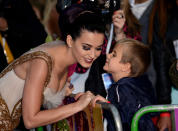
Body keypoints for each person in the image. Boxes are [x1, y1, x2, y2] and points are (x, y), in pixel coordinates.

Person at [0, 11, 106, 130]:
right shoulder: (43, 62)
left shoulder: (64, 56)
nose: (92, 55)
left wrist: (76, 98)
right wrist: (77, 106)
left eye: (98, 48)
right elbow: (30, 120)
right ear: (70, 41)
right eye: (86, 47)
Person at [91, 38, 157, 131]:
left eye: (114, 54)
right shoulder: (134, 85)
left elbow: (123, 120)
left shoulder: (121, 88)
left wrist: (107, 107)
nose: (108, 55)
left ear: (126, 67)